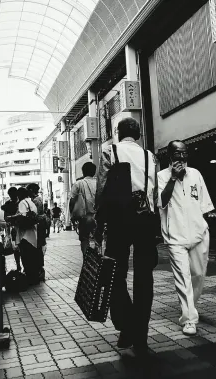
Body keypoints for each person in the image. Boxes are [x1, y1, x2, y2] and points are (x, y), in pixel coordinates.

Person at [96, 117, 157, 357]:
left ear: (119, 134)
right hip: (146, 220)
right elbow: (154, 192)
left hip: (119, 220)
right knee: (144, 278)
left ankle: (127, 324)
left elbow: (102, 188)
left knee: (115, 273)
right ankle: (140, 335)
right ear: (139, 134)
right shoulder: (150, 156)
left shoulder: (109, 151)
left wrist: (99, 222)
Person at [157, 140, 214, 336]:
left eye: (184, 153)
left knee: (198, 275)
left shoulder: (196, 174)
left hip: (199, 234)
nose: (181, 158)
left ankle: (190, 308)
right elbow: (162, 201)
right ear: (169, 156)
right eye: (177, 154)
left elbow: (204, 203)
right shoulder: (161, 176)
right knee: (183, 278)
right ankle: (189, 319)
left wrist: (204, 227)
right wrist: (173, 178)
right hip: (175, 237)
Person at [70, 162, 97, 255]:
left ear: (83, 172)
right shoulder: (100, 183)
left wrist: (72, 215)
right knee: (99, 238)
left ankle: (86, 258)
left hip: (84, 217)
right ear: (94, 172)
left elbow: (72, 200)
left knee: (84, 239)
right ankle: (97, 258)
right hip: (98, 216)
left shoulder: (78, 184)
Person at [15, 187, 41, 285]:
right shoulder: (31, 203)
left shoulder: (22, 203)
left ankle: (30, 279)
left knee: (26, 259)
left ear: (20, 195)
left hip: (25, 236)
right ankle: (34, 278)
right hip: (33, 235)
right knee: (32, 258)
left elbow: (22, 217)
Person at [1, 187, 21, 271]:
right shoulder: (7, 204)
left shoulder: (21, 202)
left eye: (12, 195)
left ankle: (22, 266)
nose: (11, 197)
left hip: (22, 228)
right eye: (10, 195)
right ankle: (18, 266)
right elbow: (6, 217)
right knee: (15, 248)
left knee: (22, 247)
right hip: (13, 229)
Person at [27, 183, 47, 266]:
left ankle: (39, 269)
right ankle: (39, 268)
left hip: (38, 227)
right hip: (39, 226)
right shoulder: (36, 199)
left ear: (31, 191)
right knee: (38, 247)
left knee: (38, 247)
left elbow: (35, 215)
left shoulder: (36, 201)